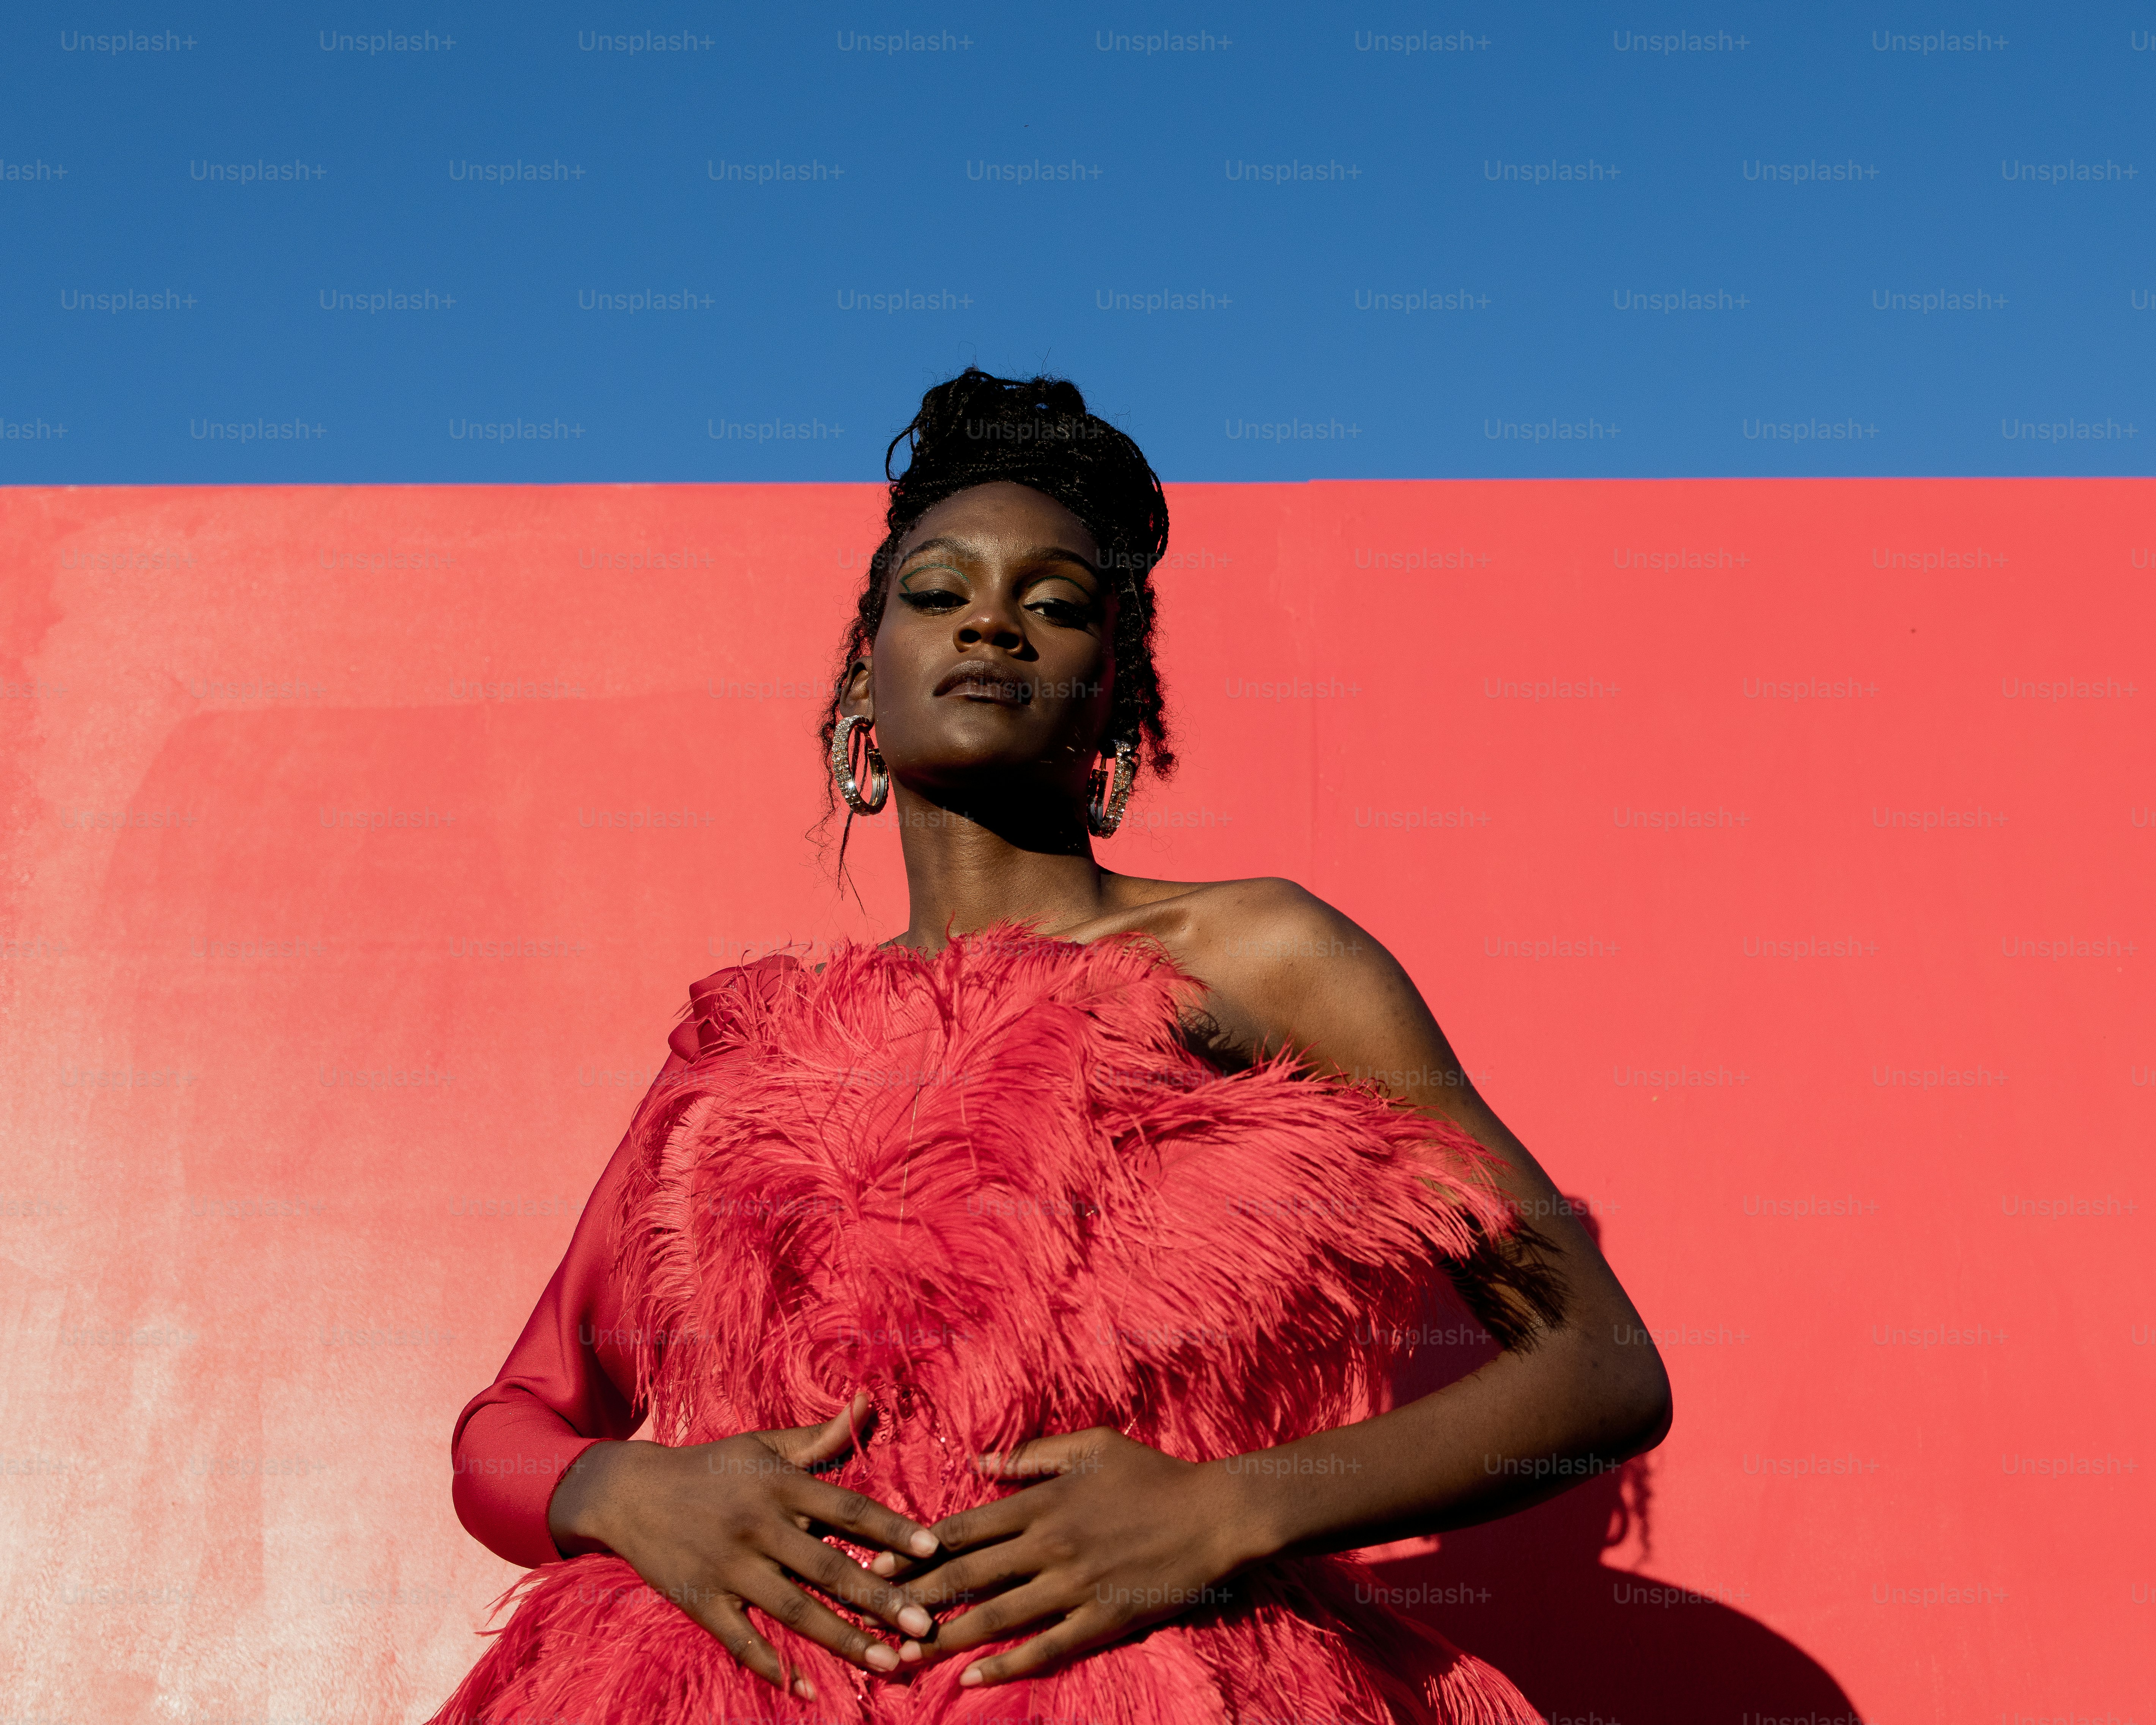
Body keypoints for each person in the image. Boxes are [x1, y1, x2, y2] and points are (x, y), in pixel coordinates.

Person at [430, 368, 1673, 1725]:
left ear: (1115, 712)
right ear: (863, 683)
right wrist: (627, 1489)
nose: (993, 622)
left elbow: (1596, 1363)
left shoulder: (1257, 953)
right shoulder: (741, 1053)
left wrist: (1222, 1513)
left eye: (1056, 604)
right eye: (939, 589)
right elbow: (513, 1420)